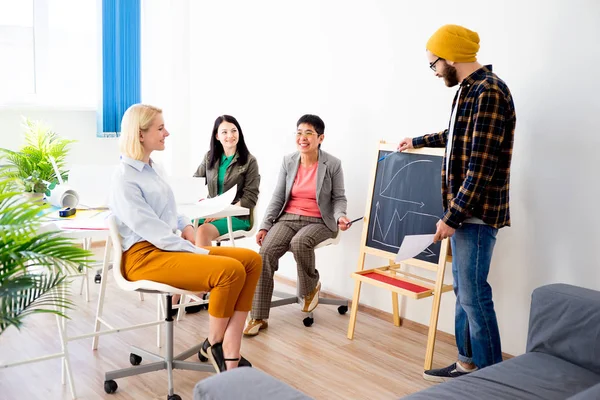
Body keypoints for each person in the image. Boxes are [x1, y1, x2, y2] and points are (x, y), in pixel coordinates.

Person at [398, 25, 516, 381]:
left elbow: (481, 166)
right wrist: (418, 140)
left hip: (476, 214)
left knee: (474, 294)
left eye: (433, 63)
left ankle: (493, 378)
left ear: (450, 57)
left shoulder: (489, 93)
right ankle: (467, 363)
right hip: (466, 213)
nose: (433, 71)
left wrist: (452, 215)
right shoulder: (469, 90)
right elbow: (457, 135)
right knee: (464, 291)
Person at [109, 104, 262, 373]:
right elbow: (154, 232)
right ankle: (218, 347)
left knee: (251, 261)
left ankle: (228, 346)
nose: (166, 132)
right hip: (144, 257)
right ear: (140, 134)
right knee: (229, 272)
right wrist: (196, 251)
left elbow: (172, 210)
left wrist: (188, 228)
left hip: (167, 248)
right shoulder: (125, 179)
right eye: (160, 128)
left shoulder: (155, 168)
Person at [244, 114, 351, 336]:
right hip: (288, 218)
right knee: (265, 253)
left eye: (309, 133)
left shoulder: (332, 164)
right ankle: (258, 316)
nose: (303, 137)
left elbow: (339, 197)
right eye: (299, 132)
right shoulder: (288, 161)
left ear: (321, 137)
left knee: (300, 242)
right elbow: (277, 196)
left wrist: (341, 215)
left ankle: (310, 287)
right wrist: (265, 226)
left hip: (319, 220)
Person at [193, 115, 260, 246]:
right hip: (211, 212)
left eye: (234, 130)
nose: (230, 135)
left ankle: (210, 266)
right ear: (217, 136)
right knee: (186, 227)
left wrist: (222, 213)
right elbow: (195, 183)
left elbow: (250, 198)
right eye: (224, 132)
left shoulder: (250, 161)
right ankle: (191, 266)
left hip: (236, 215)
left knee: (202, 231)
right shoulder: (209, 157)